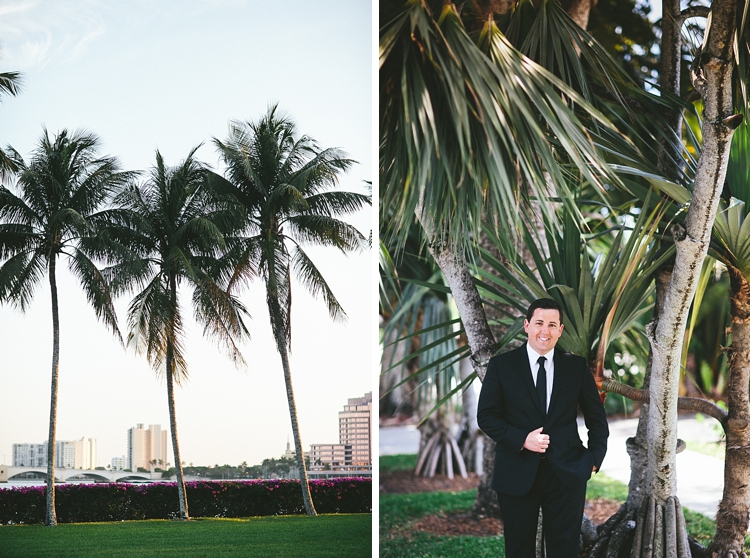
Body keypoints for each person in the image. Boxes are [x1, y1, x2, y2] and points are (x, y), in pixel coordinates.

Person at [477, 298, 608, 558]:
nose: (544, 331)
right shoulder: (502, 366)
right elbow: (486, 416)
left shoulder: (575, 367)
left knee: (565, 549)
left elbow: (597, 418)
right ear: (526, 326)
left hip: (566, 473)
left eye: (551, 325)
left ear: (560, 330)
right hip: (516, 470)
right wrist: (522, 439)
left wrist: (594, 459)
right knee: (518, 549)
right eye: (539, 323)